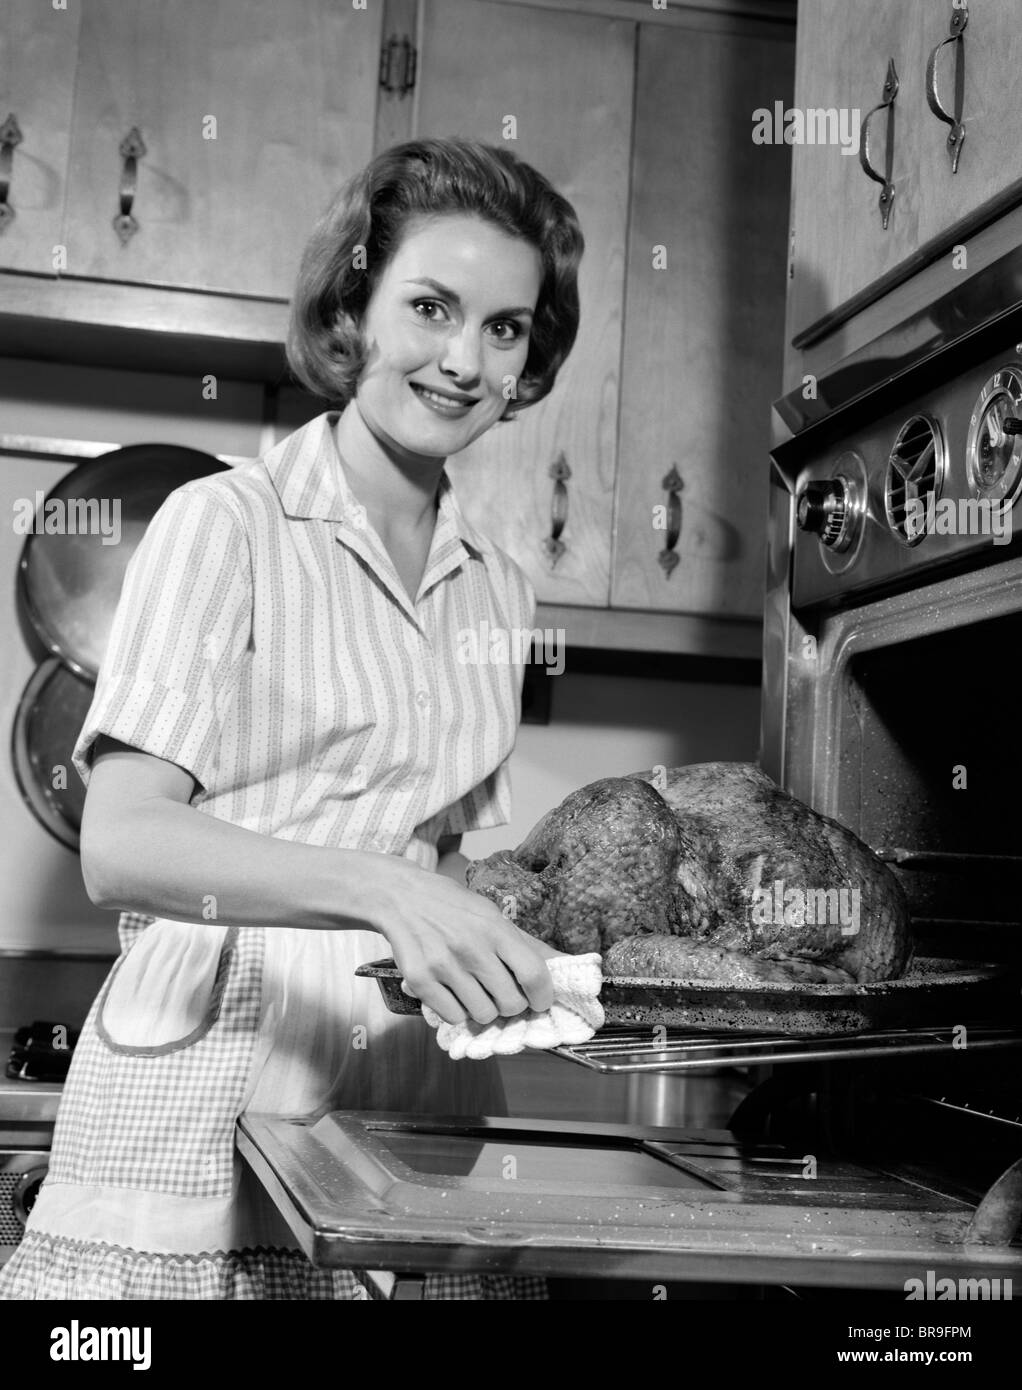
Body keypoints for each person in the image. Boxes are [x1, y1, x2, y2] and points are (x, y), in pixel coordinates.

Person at [0, 137, 584, 1300]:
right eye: (429, 307)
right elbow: (122, 842)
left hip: (412, 1093)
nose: (463, 360)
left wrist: (543, 941)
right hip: (209, 1078)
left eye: (505, 328)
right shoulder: (226, 523)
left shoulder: (500, 587)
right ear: (352, 309)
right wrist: (383, 885)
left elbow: (448, 860)